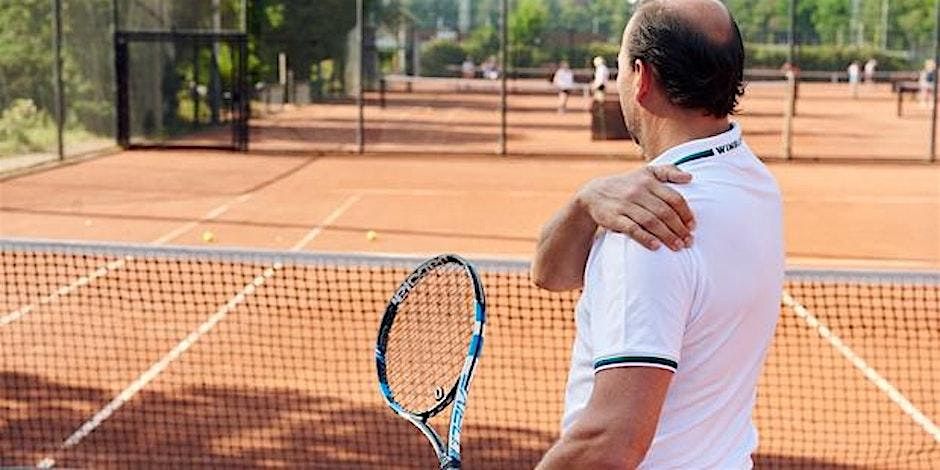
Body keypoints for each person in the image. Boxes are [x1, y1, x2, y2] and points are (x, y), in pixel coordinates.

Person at [533, 0, 784, 468]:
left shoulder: (646, 231)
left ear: (641, 79)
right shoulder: (755, 184)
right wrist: (584, 201)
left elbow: (612, 438)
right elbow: (551, 274)